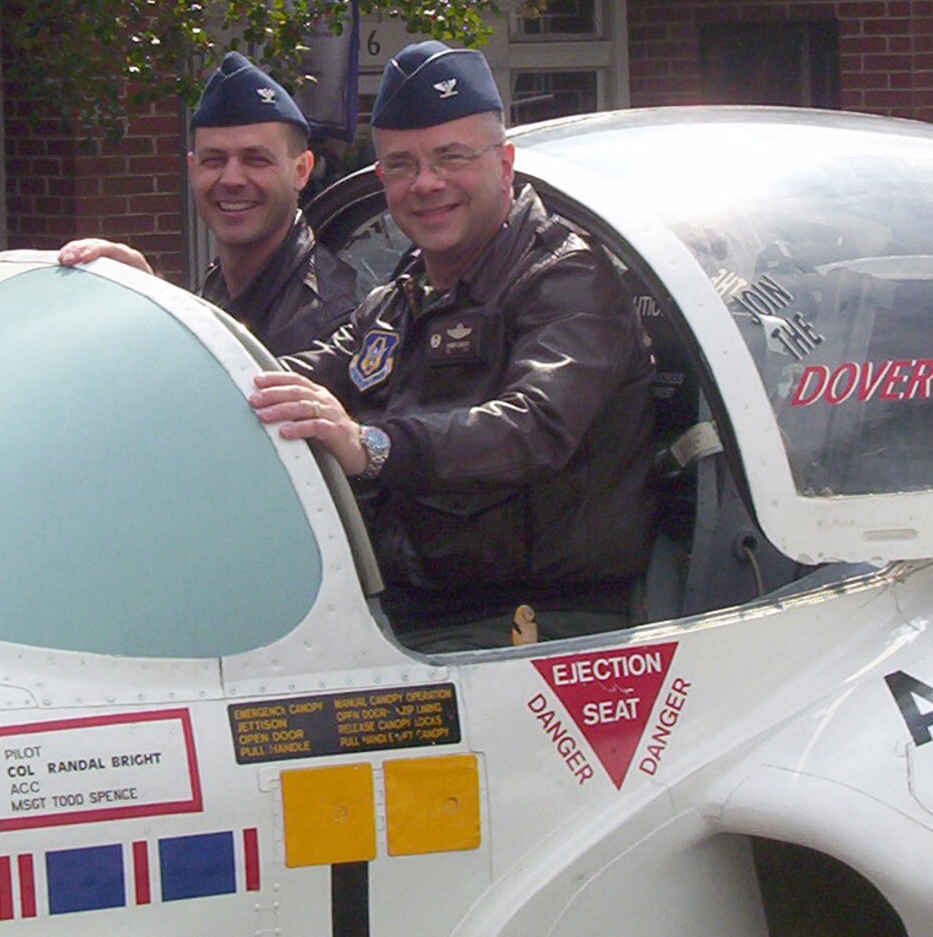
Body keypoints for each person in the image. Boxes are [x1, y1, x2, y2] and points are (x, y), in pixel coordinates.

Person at [249, 41, 658, 652]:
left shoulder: (565, 279)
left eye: (451, 157)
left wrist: (370, 446)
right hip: (412, 613)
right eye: (401, 165)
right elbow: (284, 378)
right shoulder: (402, 295)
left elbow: (533, 426)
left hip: (535, 630)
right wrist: (157, 315)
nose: (427, 184)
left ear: (504, 164)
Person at [58, 51, 358, 356]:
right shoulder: (221, 285)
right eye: (214, 160)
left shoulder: (333, 321)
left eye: (256, 160)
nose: (231, 179)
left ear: (301, 171)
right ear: (192, 169)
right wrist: (149, 294)